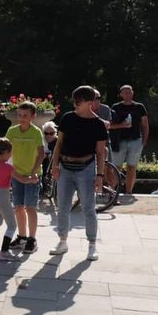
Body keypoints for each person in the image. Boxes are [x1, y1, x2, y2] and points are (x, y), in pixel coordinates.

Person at [49, 86, 109, 261]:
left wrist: (100, 176)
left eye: (79, 102)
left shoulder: (98, 124)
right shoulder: (68, 118)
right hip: (66, 168)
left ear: (90, 103)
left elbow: (100, 152)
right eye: (74, 100)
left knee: (89, 208)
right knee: (62, 207)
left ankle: (92, 245)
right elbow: (59, 144)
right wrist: (54, 165)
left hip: (86, 169)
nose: (74, 104)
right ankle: (62, 241)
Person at [6, 101, 45, 254]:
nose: (21, 118)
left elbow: (41, 153)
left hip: (32, 176)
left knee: (30, 207)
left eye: (25, 115)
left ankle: (32, 239)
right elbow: (6, 151)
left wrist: (34, 171)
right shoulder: (11, 131)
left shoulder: (36, 132)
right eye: (20, 115)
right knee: (18, 207)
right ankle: (21, 237)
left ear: (32, 116)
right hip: (16, 174)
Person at [110, 85, 149, 195]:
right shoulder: (115, 107)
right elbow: (110, 125)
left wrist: (144, 140)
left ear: (133, 93)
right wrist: (121, 125)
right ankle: (112, 191)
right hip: (118, 140)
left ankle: (128, 192)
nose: (127, 94)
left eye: (129, 92)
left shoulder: (140, 107)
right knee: (116, 167)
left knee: (132, 167)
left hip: (135, 140)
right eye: (125, 92)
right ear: (121, 94)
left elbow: (145, 125)